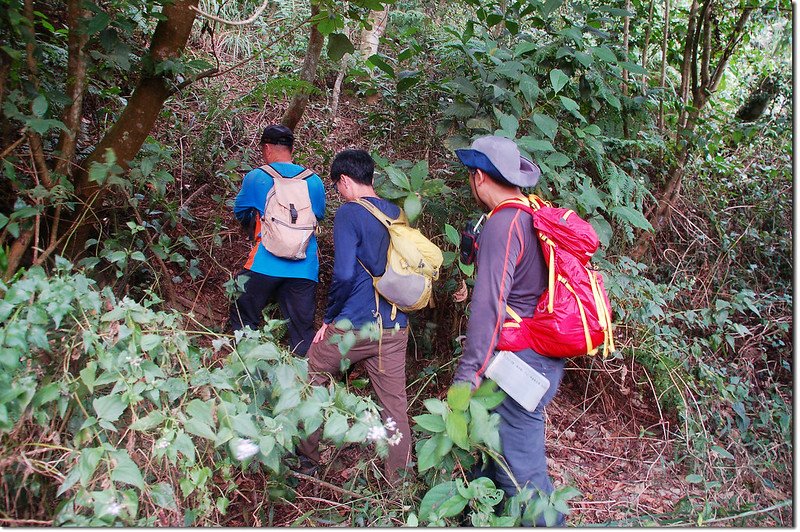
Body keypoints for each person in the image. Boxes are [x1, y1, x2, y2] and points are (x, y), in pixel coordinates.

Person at [453, 135, 566, 526]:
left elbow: (489, 306)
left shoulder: (504, 224)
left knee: (524, 474)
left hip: (521, 365)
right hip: (541, 358)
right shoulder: (533, 214)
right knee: (495, 455)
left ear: (479, 177)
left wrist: (468, 373)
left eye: (471, 177)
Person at [297, 149, 411, 483]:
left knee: (311, 374)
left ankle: (307, 461)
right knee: (395, 408)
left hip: (354, 325)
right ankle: (399, 486)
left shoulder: (349, 213)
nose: (337, 193)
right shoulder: (397, 213)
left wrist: (330, 317)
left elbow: (345, 274)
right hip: (394, 326)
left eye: (336, 187)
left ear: (344, 181)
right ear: (372, 177)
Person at [229, 124, 326, 356]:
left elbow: (239, 211)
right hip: (304, 267)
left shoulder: (257, 177)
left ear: (267, 148)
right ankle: (304, 383)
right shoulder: (314, 181)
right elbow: (318, 215)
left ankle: (245, 367)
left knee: (243, 311)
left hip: (264, 262)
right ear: (292, 149)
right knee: (302, 331)